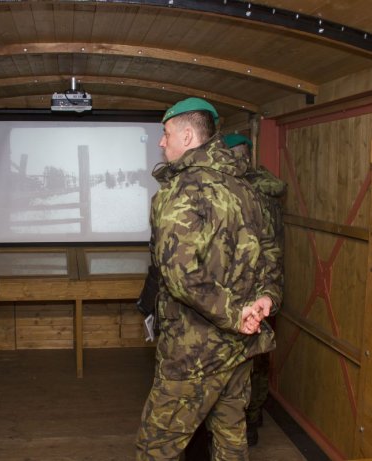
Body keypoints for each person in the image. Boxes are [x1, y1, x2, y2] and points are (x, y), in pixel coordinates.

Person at [135, 98, 282, 461]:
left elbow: (180, 276)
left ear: (187, 136)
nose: (160, 142)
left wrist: (235, 314)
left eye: (165, 133)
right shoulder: (245, 188)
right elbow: (269, 251)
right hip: (239, 348)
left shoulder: (180, 191)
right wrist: (267, 297)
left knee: (157, 448)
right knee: (231, 442)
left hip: (193, 353)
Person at [224, 133, 286, 447]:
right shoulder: (268, 190)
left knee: (242, 361)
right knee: (258, 357)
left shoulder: (240, 194)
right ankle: (253, 415)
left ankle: (242, 421)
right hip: (268, 286)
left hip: (246, 287)